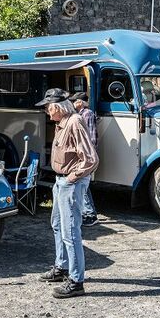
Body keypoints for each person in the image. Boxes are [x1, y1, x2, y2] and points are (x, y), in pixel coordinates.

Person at [36, 88, 99, 298]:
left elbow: (90, 158)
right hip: (60, 181)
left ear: (57, 107)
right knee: (57, 225)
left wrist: (72, 177)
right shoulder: (62, 123)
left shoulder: (74, 122)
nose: (46, 111)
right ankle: (62, 267)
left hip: (69, 182)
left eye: (47, 107)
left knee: (71, 231)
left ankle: (76, 281)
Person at [69, 92, 99, 226]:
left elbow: (91, 138)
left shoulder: (87, 114)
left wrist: (86, 155)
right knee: (84, 185)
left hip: (86, 156)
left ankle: (90, 214)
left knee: (84, 185)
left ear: (80, 102)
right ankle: (88, 213)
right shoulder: (82, 114)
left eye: (74, 101)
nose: (73, 104)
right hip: (85, 155)